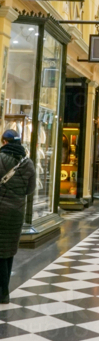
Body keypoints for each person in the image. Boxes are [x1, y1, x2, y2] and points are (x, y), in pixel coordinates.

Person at [0, 129, 36, 304]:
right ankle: (4, 290)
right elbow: (30, 190)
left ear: (5, 142)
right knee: (9, 251)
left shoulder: (0, 158)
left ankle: (2, 292)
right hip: (17, 211)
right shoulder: (28, 163)